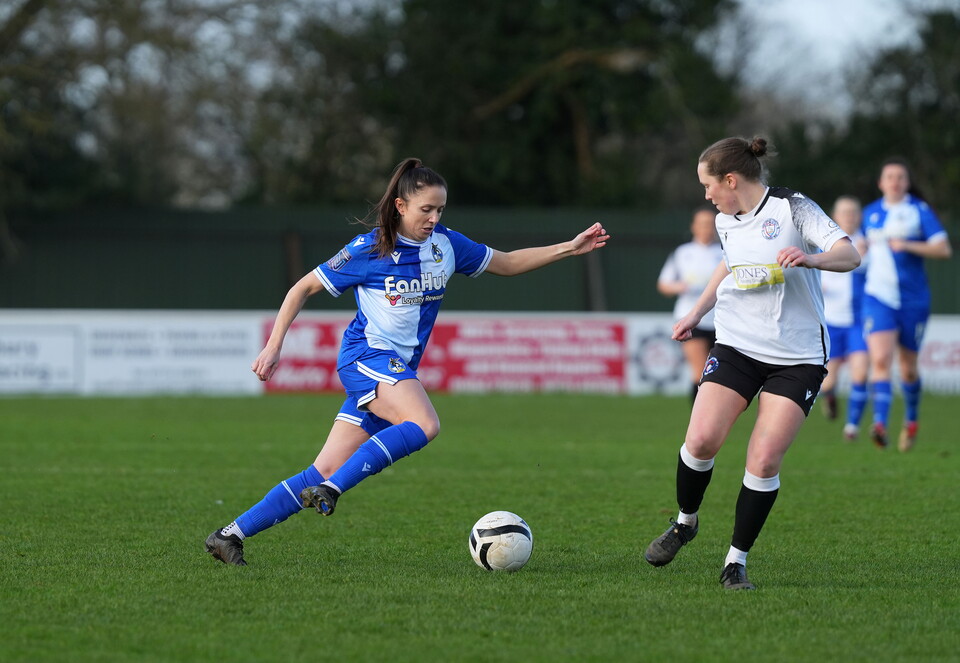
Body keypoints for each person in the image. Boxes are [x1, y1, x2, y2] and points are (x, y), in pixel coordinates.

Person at [205, 157, 610, 566]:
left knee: (322, 469)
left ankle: (229, 535)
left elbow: (505, 263)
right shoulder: (369, 249)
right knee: (425, 423)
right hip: (365, 357)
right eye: (426, 210)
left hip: (393, 371)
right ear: (400, 206)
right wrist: (275, 345)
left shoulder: (447, 246)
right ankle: (333, 491)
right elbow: (302, 287)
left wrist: (569, 248)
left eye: (440, 210)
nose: (434, 218)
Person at [642, 136, 860, 590]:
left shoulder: (793, 208)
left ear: (730, 179)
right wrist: (697, 312)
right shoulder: (725, 220)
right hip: (738, 345)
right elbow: (728, 263)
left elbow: (850, 254)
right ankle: (685, 522)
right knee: (700, 440)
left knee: (762, 460)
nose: (706, 196)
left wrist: (810, 258)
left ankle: (735, 563)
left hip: (797, 357)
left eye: (708, 185)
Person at [861, 158, 951, 452]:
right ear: (881, 183)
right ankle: (880, 424)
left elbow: (943, 248)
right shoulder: (870, 213)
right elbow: (857, 250)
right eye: (890, 177)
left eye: (900, 177)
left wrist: (907, 244)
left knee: (908, 368)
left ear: (907, 182)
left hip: (913, 300)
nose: (895, 181)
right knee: (880, 361)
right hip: (878, 298)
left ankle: (911, 420)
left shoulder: (918, 211)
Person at [657, 206, 723, 404]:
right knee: (700, 372)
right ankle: (699, 421)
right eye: (702, 223)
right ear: (693, 227)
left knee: (718, 375)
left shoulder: (724, 252)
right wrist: (679, 286)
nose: (706, 228)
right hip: (690, 317)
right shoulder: (682, 253)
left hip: (721, 320)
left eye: (710, 224)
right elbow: (663, 284)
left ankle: (715, 419)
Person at [818, 196, 870, 440]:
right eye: (844, 212)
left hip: (859, 321)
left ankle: (852, 427)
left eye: (853, 212)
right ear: (835, 216)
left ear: (859, 216)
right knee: (828, 381)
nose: (849, 216)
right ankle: (829, 398)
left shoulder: (869, 242)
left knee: (861, 373)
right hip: (831, 322)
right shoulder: (825, 244)